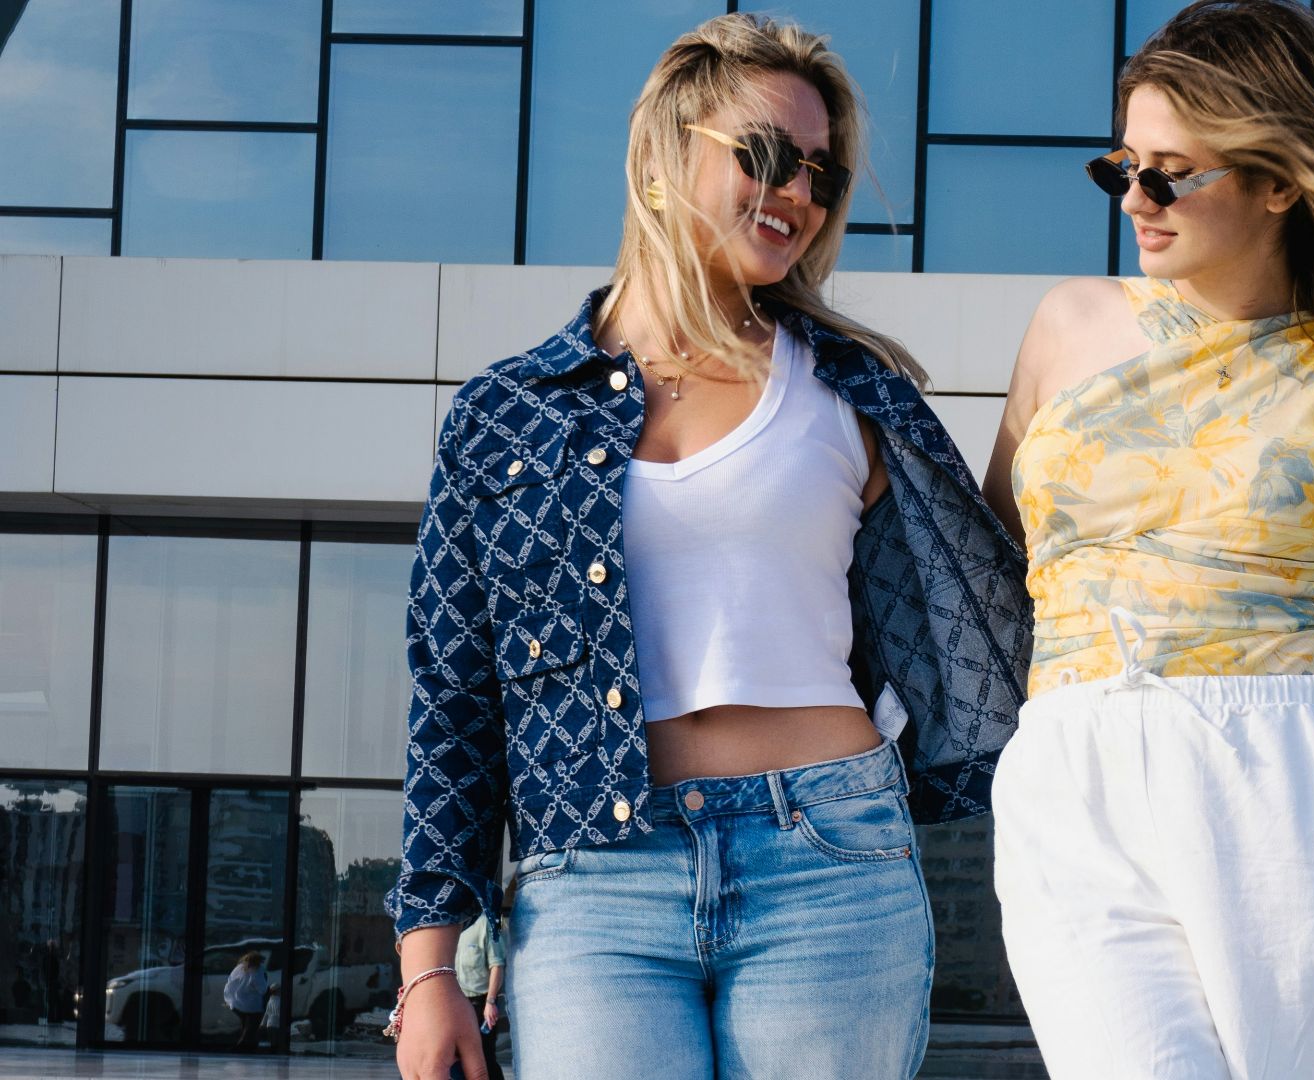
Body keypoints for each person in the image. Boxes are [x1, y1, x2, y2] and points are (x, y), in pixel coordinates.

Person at [384, 13, 1029, 1080]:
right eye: (767, 157)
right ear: (662, 156)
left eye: (820, 175)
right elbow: (453, 701)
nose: (798, 196)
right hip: (594, 882)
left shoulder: (854, 392)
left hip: (829, 860)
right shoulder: (507, 413)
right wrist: (428, 967)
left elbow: (989, 610)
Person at [982, 1, 1314, 1075]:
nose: (1138, 200)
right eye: (1122, 167)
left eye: (1173, 172)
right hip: (1072, 773)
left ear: (1278, 182)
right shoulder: (1066, 328)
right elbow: (986, 576)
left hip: (1289, 789)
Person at [453, 918, 505, 1080]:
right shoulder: (451, 923)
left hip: (480, 1004)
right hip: (454, 1002)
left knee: (484, 1057)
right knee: (454, 1056)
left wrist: (490, 1002)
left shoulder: (485, 924)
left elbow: (497, 965)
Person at [222, 951, 269, 1051]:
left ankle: (250, 1046)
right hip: (252, 1005)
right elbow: (262, 989)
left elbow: (230, 983)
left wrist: (230, 999)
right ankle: (242, 1046)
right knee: (251, 1026)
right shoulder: (257, 971)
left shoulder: (239, 968)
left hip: (237, 1002)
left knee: (246, 1024)